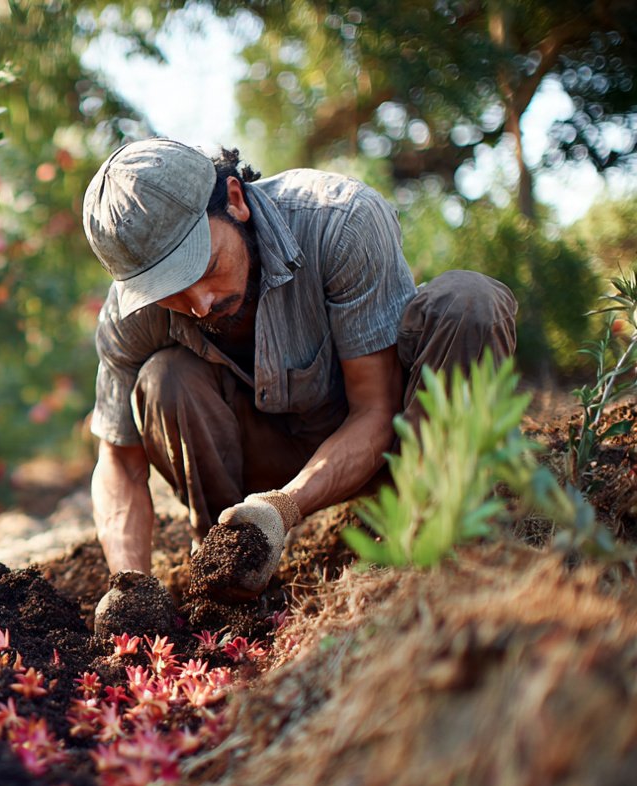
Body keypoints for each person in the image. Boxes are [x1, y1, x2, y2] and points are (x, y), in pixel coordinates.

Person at [83, 138, 517, 603]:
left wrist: (285, 506)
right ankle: (232, 565)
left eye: (206, 267)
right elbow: (119, 464)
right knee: (164, 377)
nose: (200, 303)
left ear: (235, 201)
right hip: (255, 470)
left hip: (386, 439)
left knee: (469, 303)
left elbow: (375, 410)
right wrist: (128, 587)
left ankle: (436, 528)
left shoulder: (341, 221)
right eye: (170, 293)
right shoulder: (131, 315)